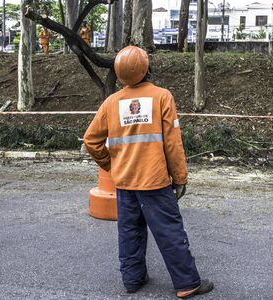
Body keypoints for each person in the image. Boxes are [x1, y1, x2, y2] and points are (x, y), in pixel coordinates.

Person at [83, 46, 214, 298]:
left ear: (119, 73)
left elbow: (91, 140)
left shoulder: (111, 102)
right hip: (154, 182)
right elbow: (173, 143)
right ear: (146, 68)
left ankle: (132, 280)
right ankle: (187, 283)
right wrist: (180, 177)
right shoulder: (162, 97)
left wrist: (110, 166)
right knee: (170, 231)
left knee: (129, 232)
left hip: (124, 183)